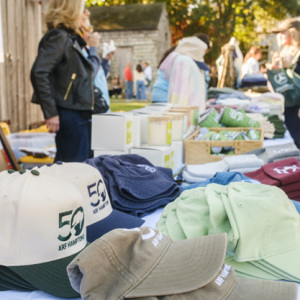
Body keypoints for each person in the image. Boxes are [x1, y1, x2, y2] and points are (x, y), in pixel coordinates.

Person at [30, 0, 100, 162]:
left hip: (77, 112)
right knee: (72, 166)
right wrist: (51, 113)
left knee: (78, 165)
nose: (87, 13)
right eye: (83, 9)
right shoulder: (58, 37)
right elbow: (39, 72)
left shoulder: (69, 38)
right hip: (69, 114)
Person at [151, 34, 210, 115]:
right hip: (163, 96)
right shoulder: (182, 61)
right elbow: (179, 91)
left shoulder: (175, 55)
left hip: (159, 95)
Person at [268, 18, 300, 149]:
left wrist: (291, 66)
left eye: (282, 32)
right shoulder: (284, 51)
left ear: (293, 32)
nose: (279, 36)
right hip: (289, 106)